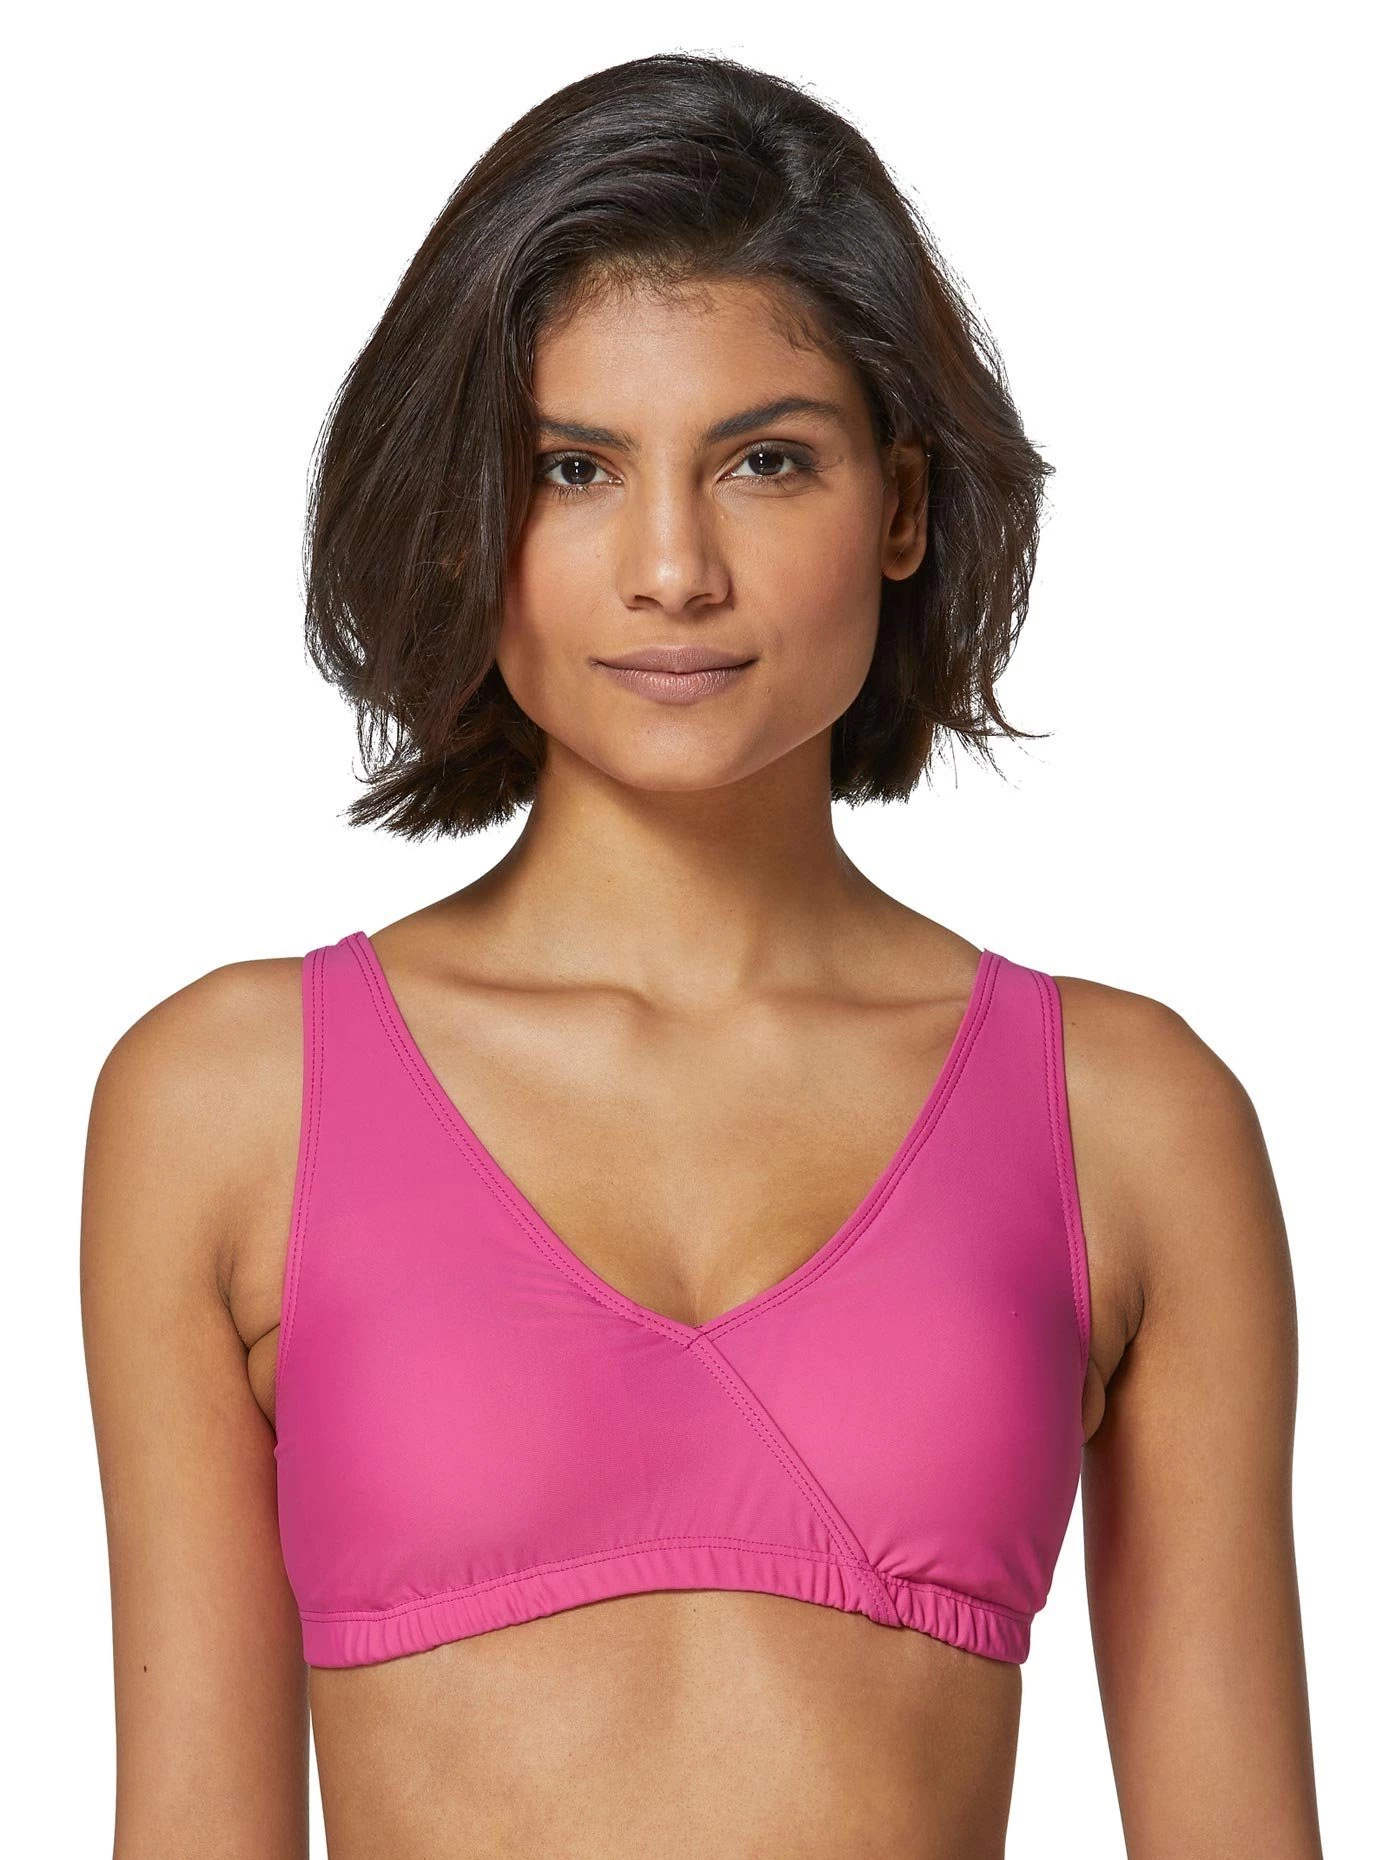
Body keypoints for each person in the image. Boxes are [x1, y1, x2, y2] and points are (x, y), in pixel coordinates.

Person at [80, 50, 1324, 1860]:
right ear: (464, 513)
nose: (672, 568)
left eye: (765, 461)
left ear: (900, 508)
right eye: (572, 468)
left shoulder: (1128, 1116)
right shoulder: (226, 1100)